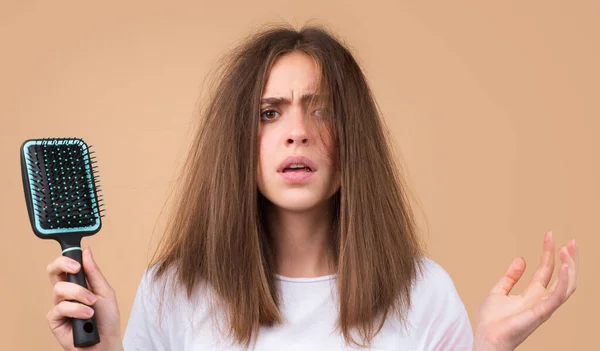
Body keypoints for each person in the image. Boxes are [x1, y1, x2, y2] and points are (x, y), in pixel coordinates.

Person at [45, 24, 578, 351]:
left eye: (321, 110)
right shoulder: (174, 290)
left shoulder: (422, 292)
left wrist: (488, 348)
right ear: (238, 142)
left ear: (354, 140)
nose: (297, 131)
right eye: (269, 114)